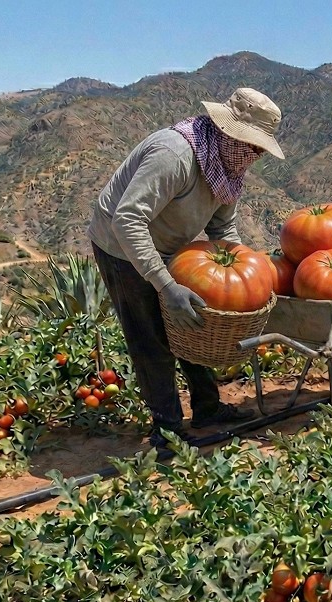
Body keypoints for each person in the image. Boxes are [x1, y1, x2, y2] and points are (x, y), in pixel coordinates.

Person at [87, 87, 285, 447]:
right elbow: (128, 219)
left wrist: (249, 272)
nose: (255, 155)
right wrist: (165, 284)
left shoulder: (227, 168)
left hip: (169, 245)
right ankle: (167, 429)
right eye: (253, 146)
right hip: (121, 246)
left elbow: (223, 228)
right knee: (151, 337)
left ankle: (207, 406)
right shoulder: (174, 155)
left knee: (193, 324)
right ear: (229, 132)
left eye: (260, 149)